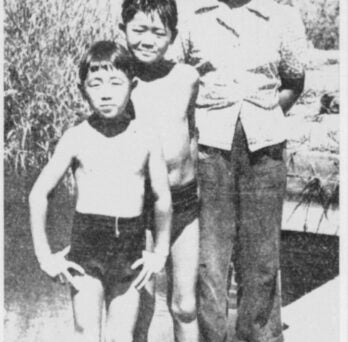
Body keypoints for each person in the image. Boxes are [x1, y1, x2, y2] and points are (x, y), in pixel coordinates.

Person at [171, 0, 307, 341]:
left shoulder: (282, 16)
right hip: (208, 153)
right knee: (210, 262)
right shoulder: (192, 16)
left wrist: (263, 122)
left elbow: (293, 81)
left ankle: (259, 335)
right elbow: (176, 81)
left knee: (262, 262)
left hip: (265, 154)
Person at [28, 40, 172, 342]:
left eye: (116, 83)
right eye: (95, 84)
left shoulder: (145, 137)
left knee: (122, 336)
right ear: (83, 90)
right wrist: (44, 256)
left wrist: (160, 251)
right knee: (85, 333)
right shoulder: (76, 137)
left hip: (129, 251)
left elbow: (161, 198)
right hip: (86, 247)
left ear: (132, 86)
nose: (106, 93)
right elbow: (38, 194)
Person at [120, 0, 200, 341]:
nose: (148, 40)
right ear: (122, 30)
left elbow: (193, 133)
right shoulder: (120, 81)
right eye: (139, 30)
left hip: (183, 205)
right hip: (138, 205)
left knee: (184, 305)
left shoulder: (187, 77)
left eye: (158, 32)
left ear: (173, 36)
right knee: (140, 302)